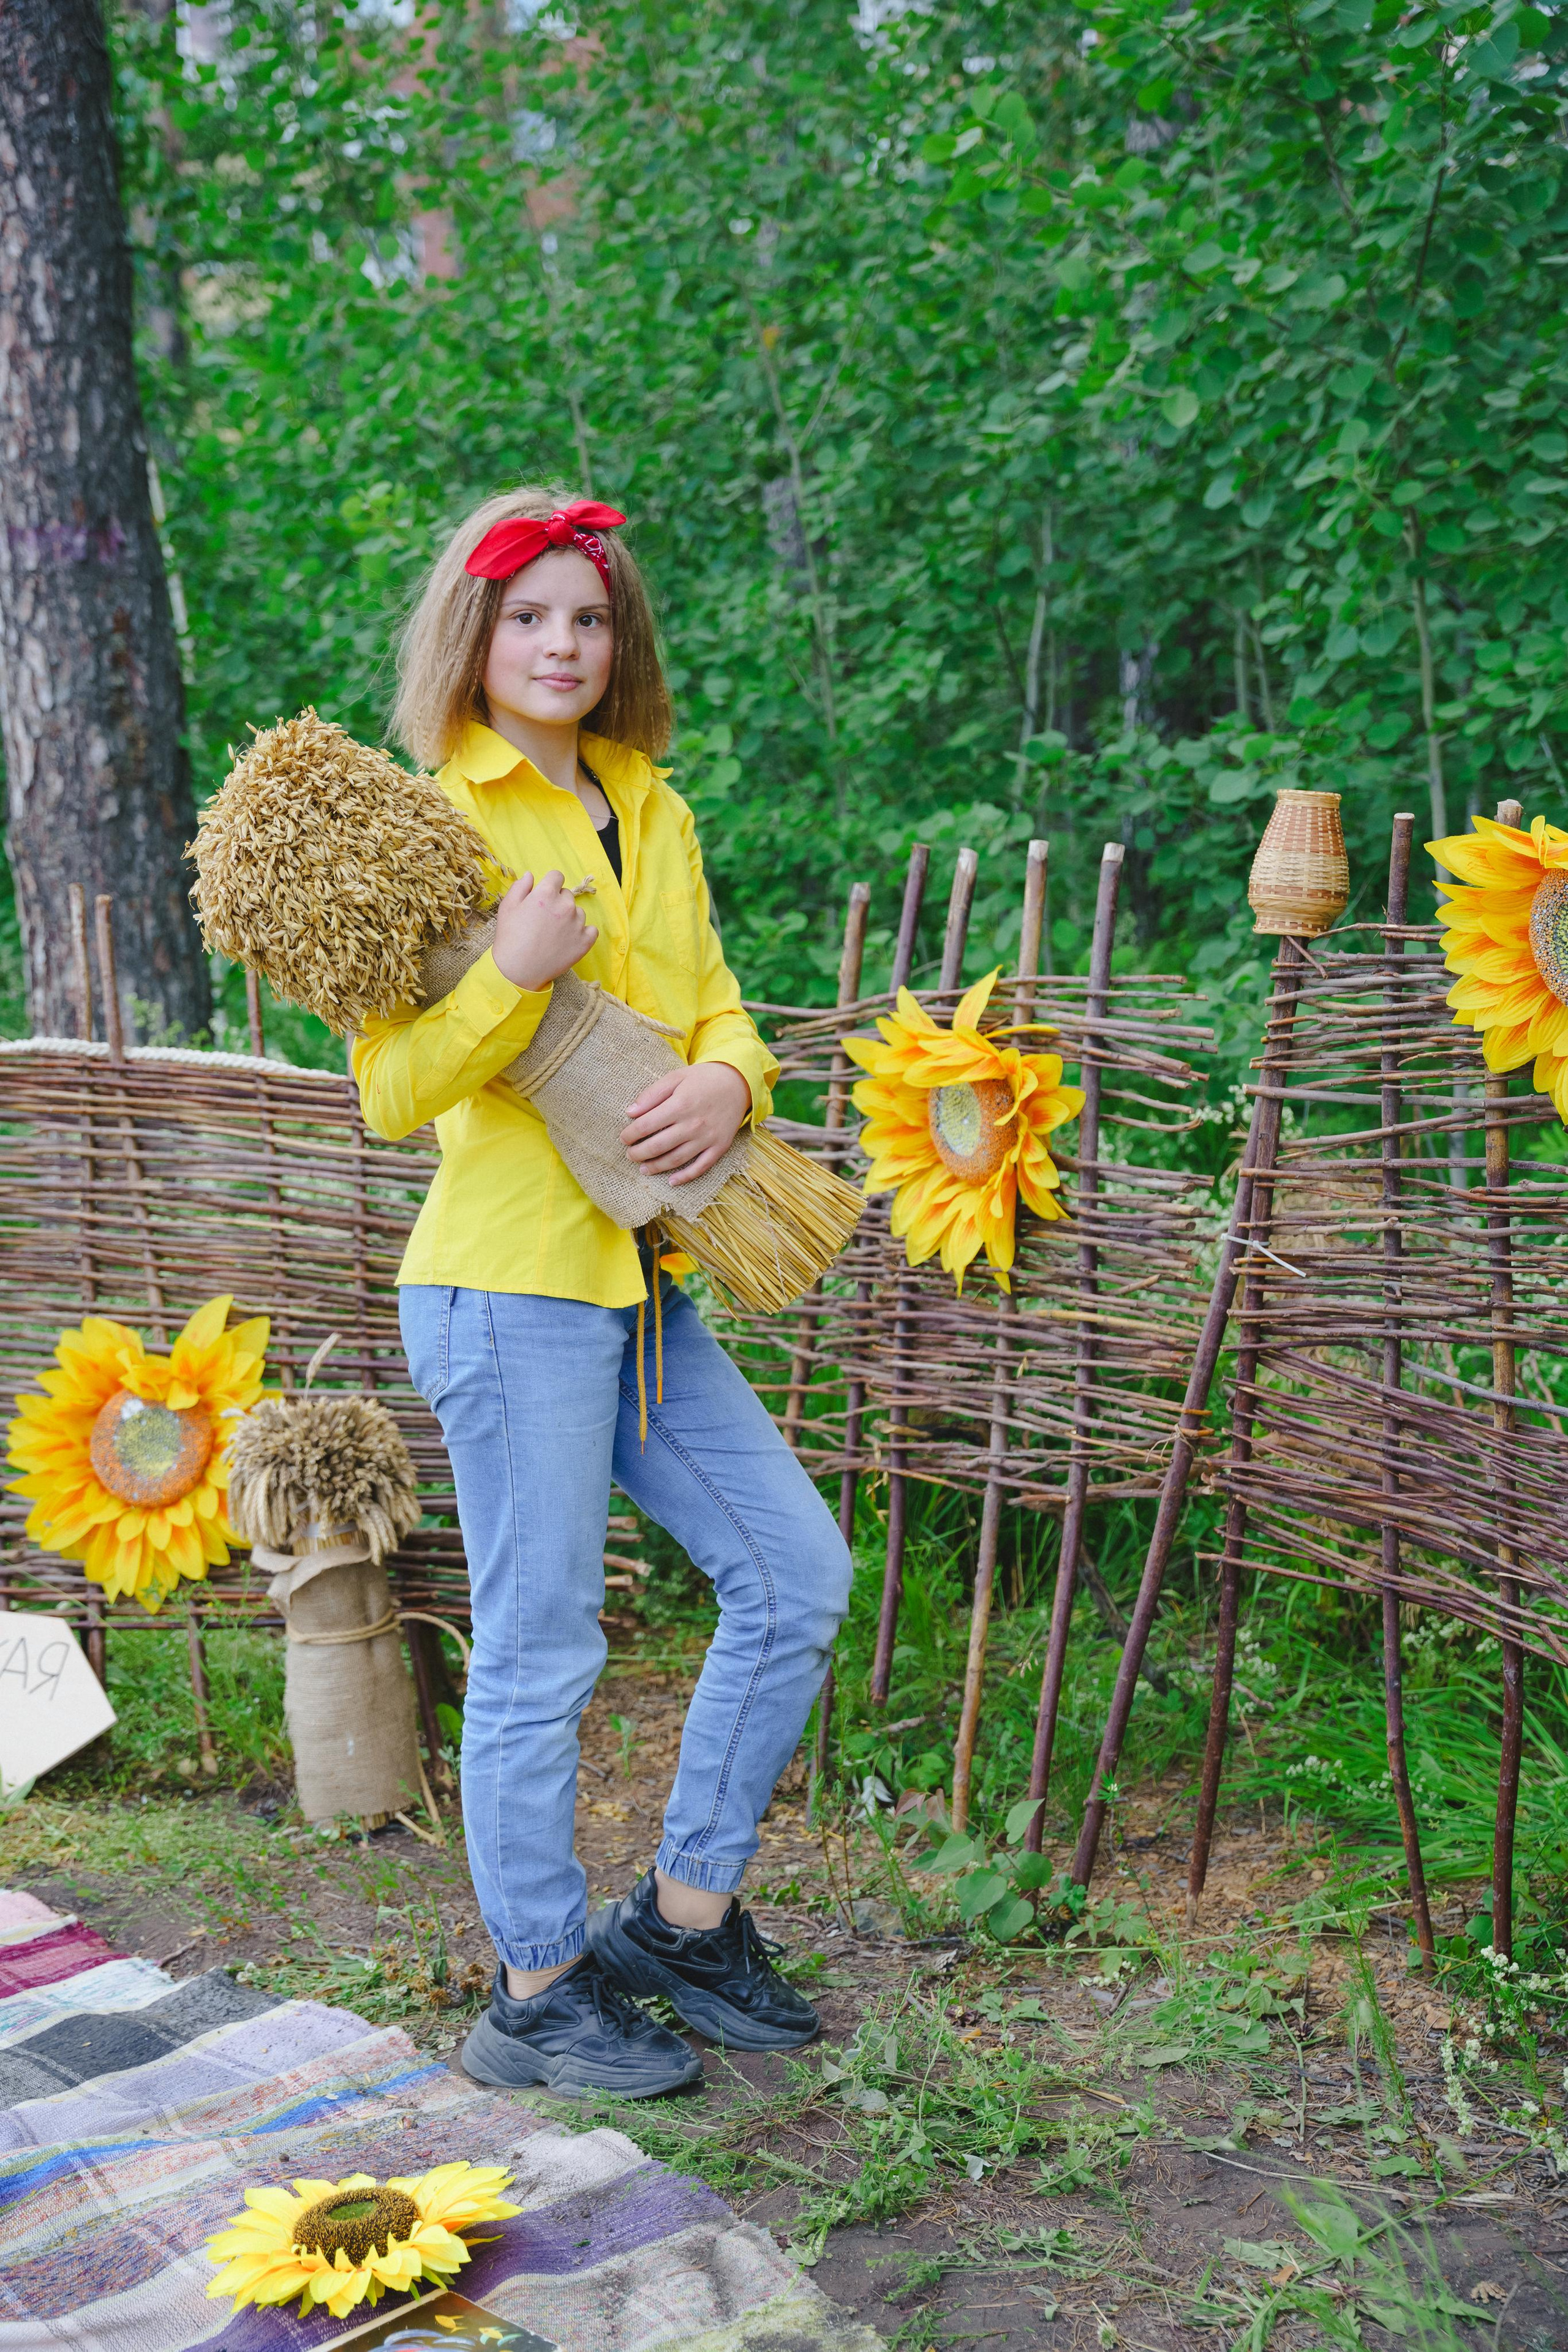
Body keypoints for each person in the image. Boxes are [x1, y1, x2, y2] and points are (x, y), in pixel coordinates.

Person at [355, 485, 853, 2098]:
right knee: (543, 1646)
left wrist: (731, 1088)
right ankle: (540, 1985)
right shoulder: (433, 826)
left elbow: (717, 1011)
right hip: (510, 1296)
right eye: (529, 617)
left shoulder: (654, 801)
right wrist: (506, 974)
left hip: (651, 1289)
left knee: (796, 1576)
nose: (563, 643)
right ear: (475, 638)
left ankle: (685, 1921)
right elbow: (391, 1094)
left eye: (589, 617)